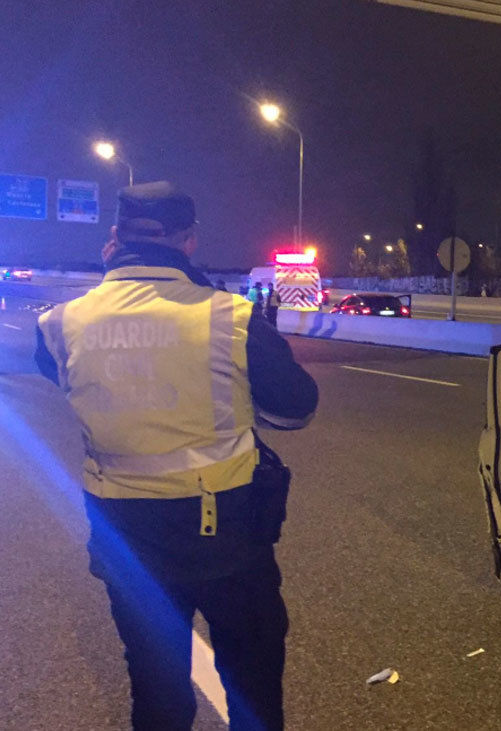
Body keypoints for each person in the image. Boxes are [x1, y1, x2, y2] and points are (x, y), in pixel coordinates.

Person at [34, 181, 318, 731]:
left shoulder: (61, 324)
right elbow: (296, 410)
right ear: (189, 241)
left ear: (114, 238)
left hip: (126, 538)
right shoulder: (230, 317)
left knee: (157, 691)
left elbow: (68, 379)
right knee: (253, 684)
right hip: (228, 536)